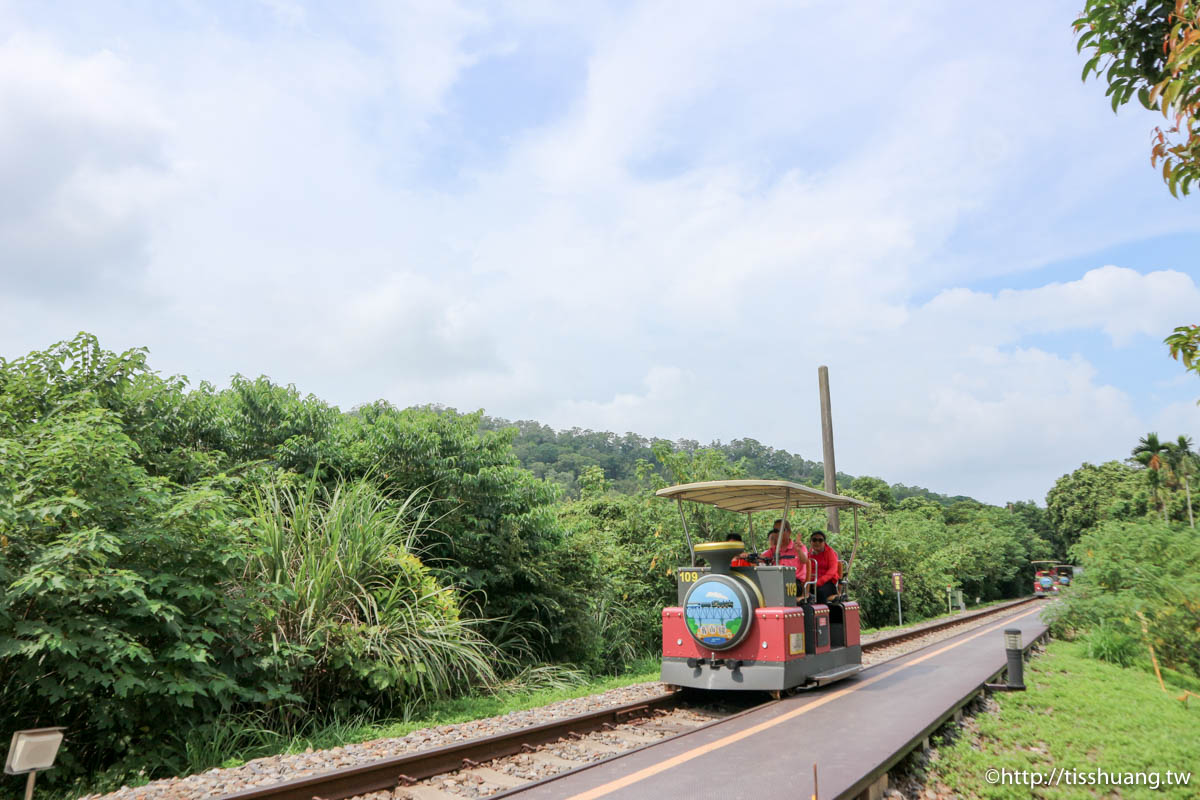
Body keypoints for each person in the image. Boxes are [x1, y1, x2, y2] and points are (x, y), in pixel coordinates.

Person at [762, 520, 807, 597]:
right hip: (776, 581)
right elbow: (760, 558)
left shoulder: (799, 547)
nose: (777, 533)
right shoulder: (773, 550)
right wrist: (746, 556)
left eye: (781, 530)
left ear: (789, 532)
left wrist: (798, 550)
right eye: (775, 531)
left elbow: (805, 561)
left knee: (779, 588)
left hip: (794, 583)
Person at [809, 530, 839, 604]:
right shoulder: (808, 554)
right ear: (811, 542)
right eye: (814, 540)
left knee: (820, 593)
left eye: (820, 540)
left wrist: (819, 582)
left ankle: (821, 614)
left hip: (827, 583)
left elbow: (832, 570)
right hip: (811, 582)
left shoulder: (830, 553)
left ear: (824, 542)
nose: (817, 542)